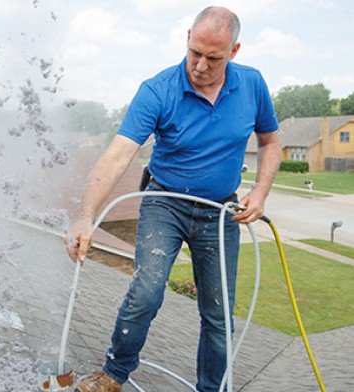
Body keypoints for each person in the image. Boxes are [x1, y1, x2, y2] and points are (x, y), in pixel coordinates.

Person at [65, 6, 281, 392]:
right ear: (187, 38)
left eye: (213, 58)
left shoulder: (252, 85)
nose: (199, 65)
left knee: (219, 314)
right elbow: (117, 155)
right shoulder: (158, 90)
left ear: (234, 52)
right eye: (194, 51)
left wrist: (260, 191)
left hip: (220, 213)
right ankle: (113, 374)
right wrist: (86, 217)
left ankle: (211, 389)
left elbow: (270, 142)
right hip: (165, 203)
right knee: (147, 290)